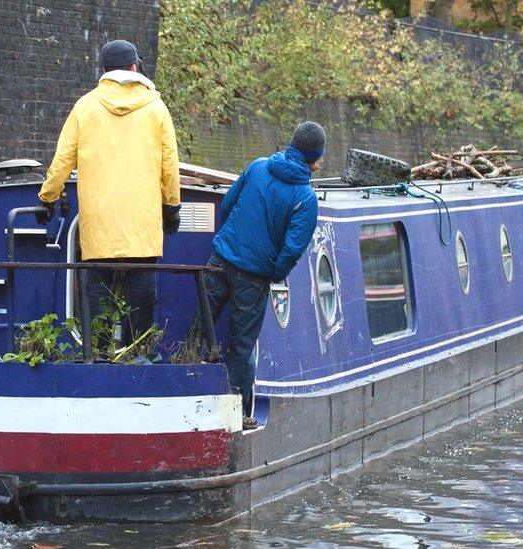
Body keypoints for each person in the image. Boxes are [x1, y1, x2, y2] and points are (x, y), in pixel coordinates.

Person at [37, 39, 181, 344]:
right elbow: (170, 166)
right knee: (142, 298)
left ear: (104, 70)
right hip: (142, 225)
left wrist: (47, 198)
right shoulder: (156, 108)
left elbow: (62, 160)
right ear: (134, 67)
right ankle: (137, 354)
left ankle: (98, 357)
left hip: (99, 224)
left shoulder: (85, 107)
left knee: (97, 297)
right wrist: (171, 208)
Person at [195, 121, 323, 425]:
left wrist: (230, 240)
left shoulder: (258, 167)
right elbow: (292, 248)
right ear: (316, 159)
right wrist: (273, 272)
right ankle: (235, 414)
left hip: (220, 259)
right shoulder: (305, 199)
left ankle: (188, 396)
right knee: (241, 346)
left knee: (201, 328)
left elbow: (227, 204)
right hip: (254, 277)